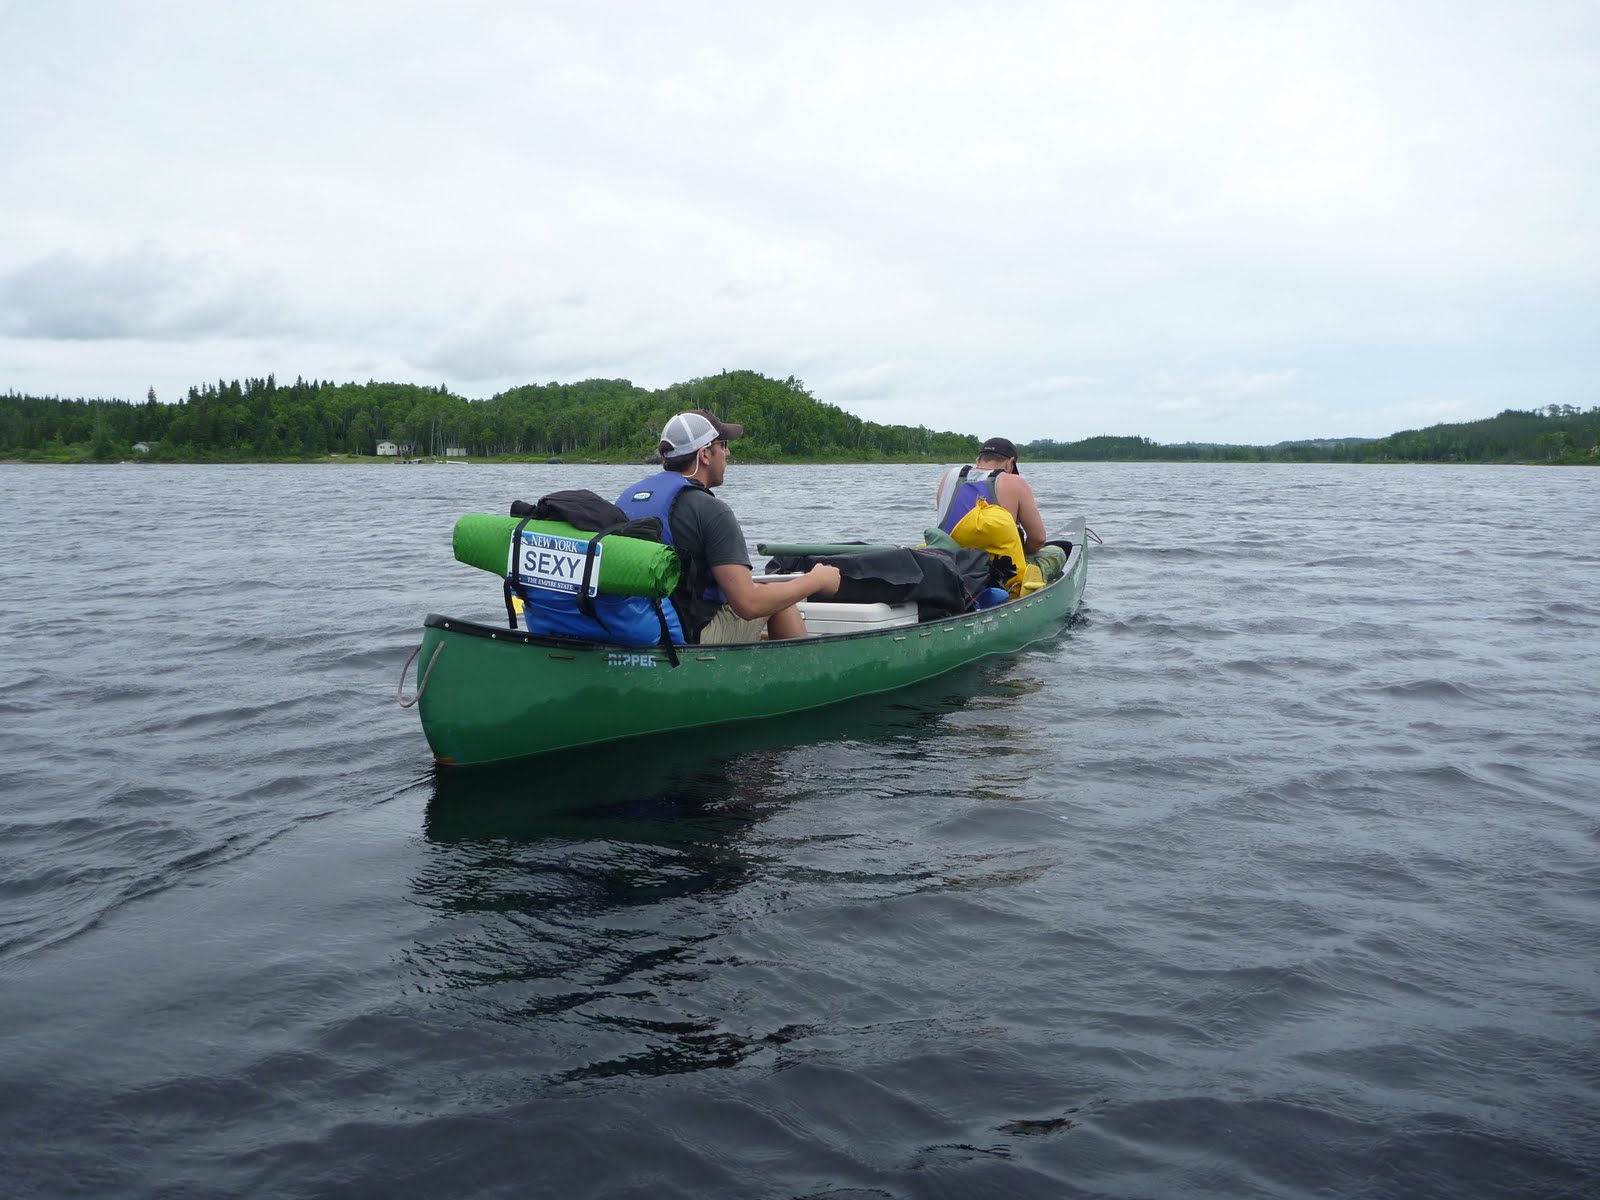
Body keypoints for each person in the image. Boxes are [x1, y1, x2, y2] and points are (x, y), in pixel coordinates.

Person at [617, 410, 840, 642]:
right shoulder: (712, 510)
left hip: (635, 629)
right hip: (686, 638)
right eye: (723, 445)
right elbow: (749, 604)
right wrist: (816, 581)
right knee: (776, 600)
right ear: (705, 454)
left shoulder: (628, 497)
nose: (728, 452)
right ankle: (800, 675)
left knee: (764, 589)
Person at [933, 436, 1066, 592]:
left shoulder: (948, 477)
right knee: (1056, 553)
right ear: (1009, 463)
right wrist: (1022, 552)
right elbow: (1038, 539)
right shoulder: (1014, 482)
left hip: (950, 563)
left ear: (978, 460)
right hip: (997, 573)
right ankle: (1025, 587)